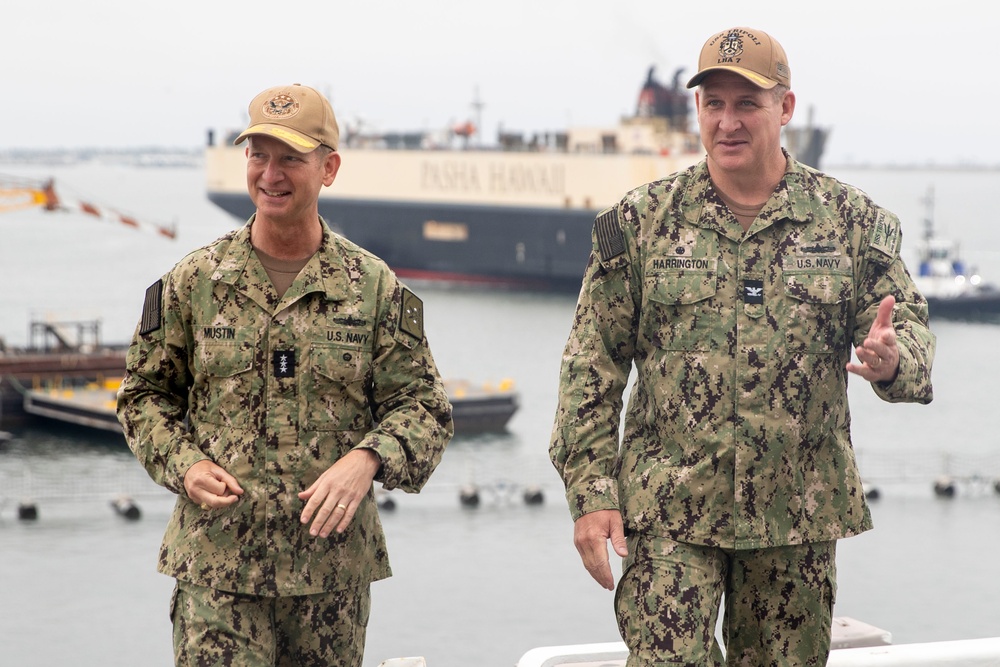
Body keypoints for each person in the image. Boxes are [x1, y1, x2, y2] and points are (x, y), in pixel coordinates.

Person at [549, 27, 935, 666]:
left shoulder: (850, 223)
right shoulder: (642, 223)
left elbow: (911, 335)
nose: (727, 122)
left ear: (785, 108)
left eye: (746, 104)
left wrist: (894, 363)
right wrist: (591, 495)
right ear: (696, 110)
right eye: (713, 104)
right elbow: (590, 367)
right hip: (668, 513)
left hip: (795, 517)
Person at [117, 83, 454, 667]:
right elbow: (143, 397)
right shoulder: (194, 282)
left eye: (290, 158)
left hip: (330, 581)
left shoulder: (373, 288)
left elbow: (424, 409)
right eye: (258, 155)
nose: (270, 173)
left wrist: (366, 459)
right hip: (218, 572)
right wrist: (186, 465)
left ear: (329, 168)